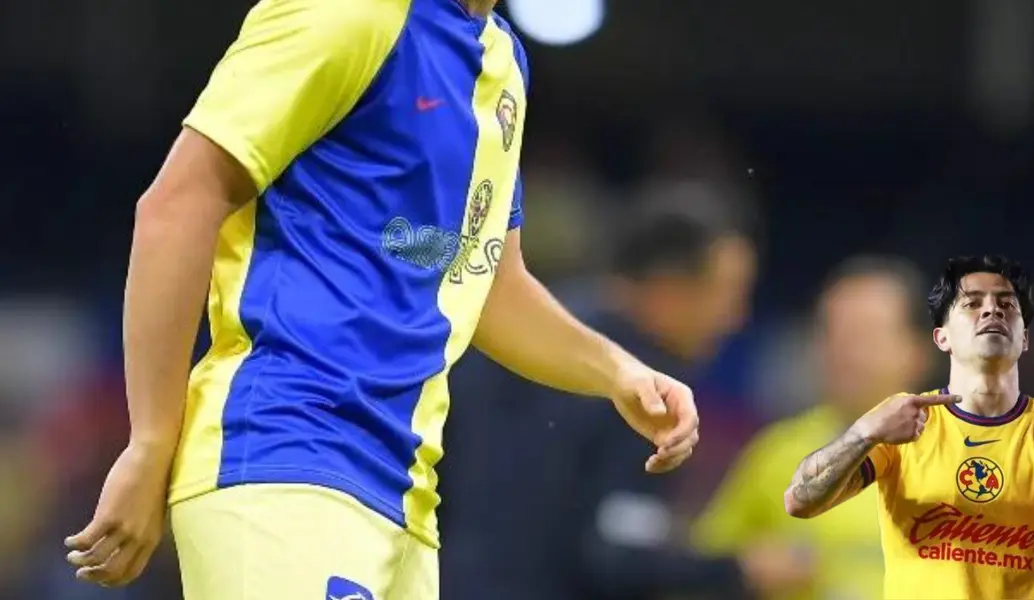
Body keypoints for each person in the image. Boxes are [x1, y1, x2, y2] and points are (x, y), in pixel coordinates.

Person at [62, 1, 700, 599]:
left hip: (406, 496)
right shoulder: (351, 12)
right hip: (288, 451)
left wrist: (619, 373)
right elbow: (178, 202)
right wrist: (149, 442)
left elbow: (487, 281)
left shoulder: (503, 62)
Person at [438, 194, 801, 600]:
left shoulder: (515, 339)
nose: (737, 318)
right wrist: (735, 570)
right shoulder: (640, 387)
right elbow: (612, 554)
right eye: (729, 293)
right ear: (670, 290)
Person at [782, 255, 1034, 599]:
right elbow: (800, 501)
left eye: (1006, 304)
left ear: (1024, 338)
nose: (992, 311)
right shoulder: (907, 423)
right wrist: (863, 433)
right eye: (972, 303)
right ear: (942, 337)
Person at [693, 256, 931, 600]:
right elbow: (705, 564)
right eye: (831, 332)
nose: (845, 351)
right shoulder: (777, 452)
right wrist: (746, 568)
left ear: (919, 349)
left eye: (865, 335)